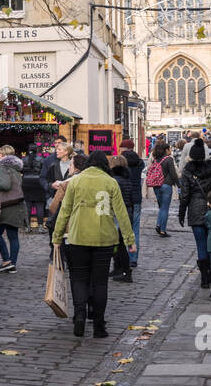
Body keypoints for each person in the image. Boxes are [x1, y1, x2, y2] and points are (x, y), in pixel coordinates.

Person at [53, 151, 135, 338]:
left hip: (78, 237)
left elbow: (64, 212)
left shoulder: (75, 181)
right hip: (104, 238)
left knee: (79, 278)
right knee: (100, 283)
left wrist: (57, 238)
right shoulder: (110, 182)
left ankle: (80, 315)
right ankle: (99, 325)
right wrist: (130, 239)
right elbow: (122, 214)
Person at [179, 138, 211, 288]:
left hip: (195, 209)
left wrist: (181, 212)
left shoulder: (188, 170)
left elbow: (184, 194)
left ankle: (204, 278)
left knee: (201, 245)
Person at [0, 146, 26, 273]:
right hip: (16, 204)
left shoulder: (2, 167)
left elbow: (5, 185)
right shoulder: (16, 167)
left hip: (6, 206)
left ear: (3, 155)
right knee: (13, 236)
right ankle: (12, 263)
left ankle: (7, 261)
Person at [108, 153, 135, 284]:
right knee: (118, 243)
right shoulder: (126, 178)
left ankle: (125, 271)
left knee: (119, 244)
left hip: (119, 214)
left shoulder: (114, 180)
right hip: (127, 211)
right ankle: (118, 268)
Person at [120, 138, 144, 267]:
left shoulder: (121, 163)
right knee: (135, 229)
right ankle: (133, 258)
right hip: (137, 198)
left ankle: (123, 257)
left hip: (124, 198)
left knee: (122, 228)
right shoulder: (139, 162)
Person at [146, 140, 178, 236]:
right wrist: (179, 185)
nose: (170, 151)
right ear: (166, 150)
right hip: (166, 185)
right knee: (165, 208)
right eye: (169, 149)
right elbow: (173, 174)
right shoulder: (169, 159)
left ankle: (158, 225)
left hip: (156, 186)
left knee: (161, 207)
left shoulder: (156, 159)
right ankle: (163, 230)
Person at [21, 145, 47, 229]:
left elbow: (21, 170)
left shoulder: (23, 159)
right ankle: (40, 226)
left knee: (27, 205)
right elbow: (44, 171)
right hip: (38, 182)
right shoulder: (41, 159)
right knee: (39, 205)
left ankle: (27, 226)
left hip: (26, 182)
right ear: (37, 150)